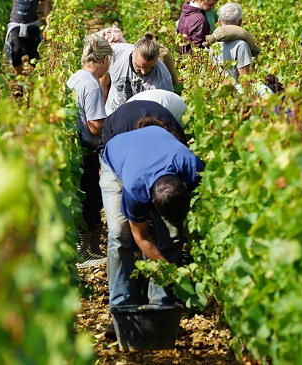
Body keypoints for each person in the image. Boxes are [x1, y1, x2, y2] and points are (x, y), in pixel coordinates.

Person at [100, 124, 204, 311]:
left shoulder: (190, 165)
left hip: (156, 141)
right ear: (152, 202)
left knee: (173, 235)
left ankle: (161, 304)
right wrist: (173, 274)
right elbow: (141, 237)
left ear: (185, 186)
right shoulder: (135, 189)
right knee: (119, 236)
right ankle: (122, 307)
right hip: (115, 158)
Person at [66, 34, 113, 259]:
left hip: (74, 148)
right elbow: (95, 126)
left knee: (85, 200)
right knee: (92, 201)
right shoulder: (92, 85)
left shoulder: (75, 77)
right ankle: (86, 252)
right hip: (87, 150)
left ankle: (89, 250)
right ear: (104, 60)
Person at [100, 33, 174, 115]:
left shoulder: (163, 78)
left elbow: (165, 111)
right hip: (111, 115)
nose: (143, 72)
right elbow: (103, 82)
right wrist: (101, 113)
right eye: (139, 66)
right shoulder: (115, 54)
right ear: (132, 53)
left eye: (149, 68)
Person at [4, 0, 50, 76]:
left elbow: (45, 3)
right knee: (16, 51)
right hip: (16, 24)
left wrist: (48, 22)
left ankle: (32, 78)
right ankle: (19, 77)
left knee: (34, 54)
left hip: (32, 24)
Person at [213, 3, 254, 87]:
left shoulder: (212, 44)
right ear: (240, 22)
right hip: (235, 96)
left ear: (219, 22)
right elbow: (245, 81)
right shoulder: (241, 45)